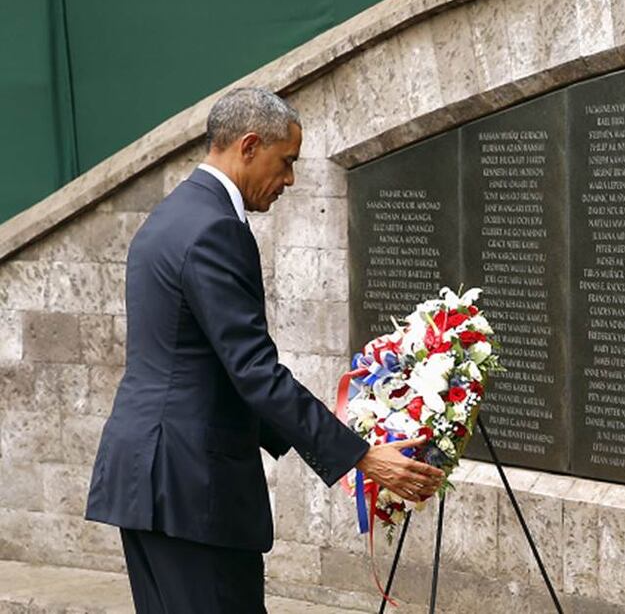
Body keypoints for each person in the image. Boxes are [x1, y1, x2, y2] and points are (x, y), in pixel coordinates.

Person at [84, 87, 443, 612]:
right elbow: (253, 369)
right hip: (191, 490)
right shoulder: (215, 229)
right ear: (249, 146)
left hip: (152, 482)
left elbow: (210, 367)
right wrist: (362, 457)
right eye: (287, 162)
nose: (291, 180)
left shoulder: (171, 216)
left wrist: (339, 438)